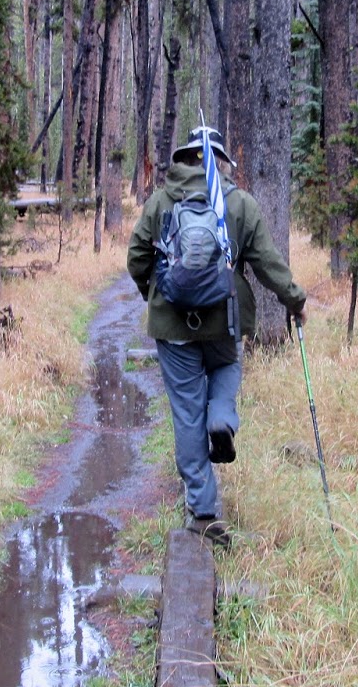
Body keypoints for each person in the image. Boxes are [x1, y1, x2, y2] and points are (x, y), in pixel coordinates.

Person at [127, 127, 307, 546]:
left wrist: (153, 296)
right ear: (218, 159)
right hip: (226, 319)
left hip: (174, 326)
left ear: (185, 157)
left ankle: (204, 514)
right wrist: (294, 300)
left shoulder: (161, 200)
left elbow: (137, 256)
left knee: (187, 413)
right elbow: (266, 262)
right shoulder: (239, 203)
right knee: (226, 366)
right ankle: (223, 417)